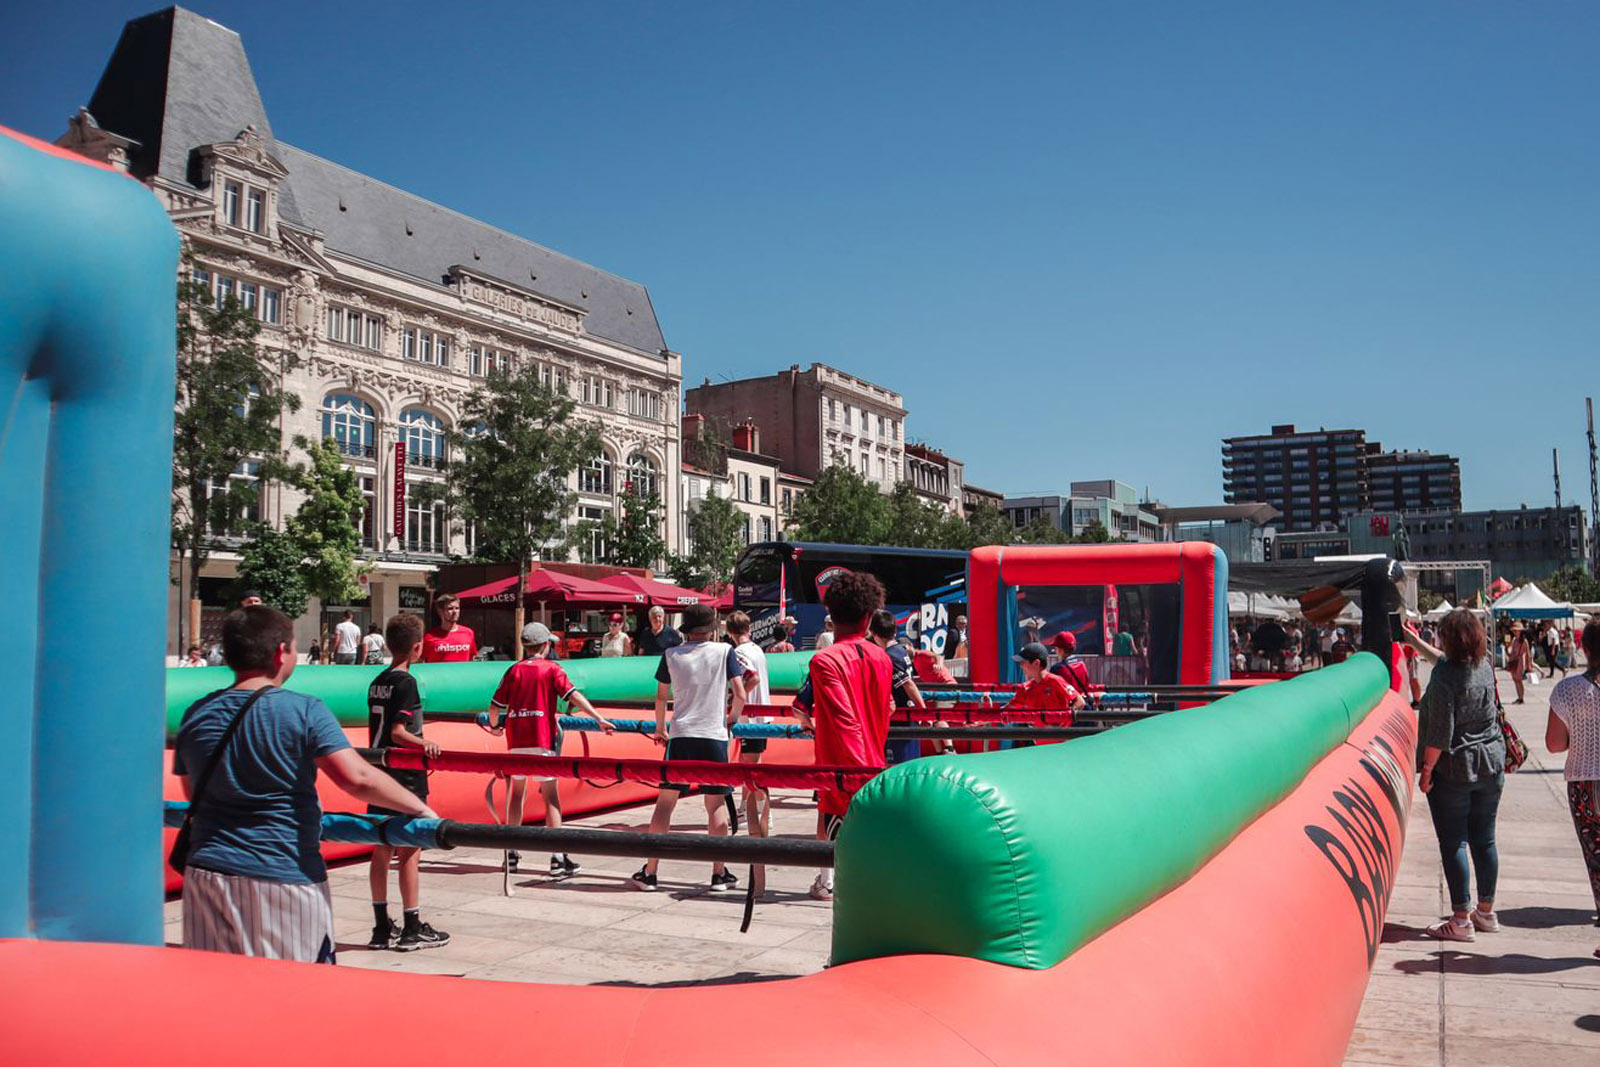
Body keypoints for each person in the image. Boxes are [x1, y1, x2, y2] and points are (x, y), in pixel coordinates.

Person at [173, 606, 436, 962]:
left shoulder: (197, 712)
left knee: (217, 997)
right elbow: (356, 778)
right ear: (281, 652)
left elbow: (194, 794)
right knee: (297, 995)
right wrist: (421, 810)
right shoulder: (304, 710)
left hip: (206, 874)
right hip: (282, 873)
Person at [791, 572, 893, 901]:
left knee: (849, 870)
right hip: (873, 765)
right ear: (868, 617)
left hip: (845, 773)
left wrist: (855, 780)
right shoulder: (882, 658)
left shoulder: (825, 660)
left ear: (832, 615)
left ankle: (828, 882)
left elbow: (845, 722)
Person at [630, 603, 745, 892]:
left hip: (681, 735)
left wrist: (659, 729)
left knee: (665, 802)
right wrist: (729, 720)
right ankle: (719, 873)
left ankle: (651, 871)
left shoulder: (671, 654)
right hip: (713, 735)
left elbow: (660, 698)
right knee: (715, 804)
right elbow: (740, 693)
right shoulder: (724, 652)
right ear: (712, 628)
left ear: (686, 629)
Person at [1409, 609, 1507, 942]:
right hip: (1491, 764)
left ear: (1449, 638)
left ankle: (1461, 920)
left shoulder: (1444, 676)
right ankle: (1486, 912)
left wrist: (1425, 772)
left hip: (1455, 769)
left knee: (1454, 843)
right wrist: (1411, 638)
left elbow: (1439, 733)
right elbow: (1441, 660)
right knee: (1486, 839)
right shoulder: (1485, 667)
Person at [489, 622, 616, 875]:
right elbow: (573, 695)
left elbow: (494, 707)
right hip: (542, 738)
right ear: (545, 645)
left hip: (516, 740)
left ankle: (511, 854)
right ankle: (557, 856)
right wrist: (597, 717)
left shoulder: (513, 670)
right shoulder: (551, 669)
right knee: (551, 796)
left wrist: (494, 727)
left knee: (517, 794)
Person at [364, 613, 449, 951]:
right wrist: (424, 743)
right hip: (404, 776)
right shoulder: (407, 683)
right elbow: (400, 732)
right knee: (410, 849)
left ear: (386, 644)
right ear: (417, 647)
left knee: (381, 847)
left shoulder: (377, 681)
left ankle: (381, 926)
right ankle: (412, 925)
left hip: (377, 774)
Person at [1545, 619, 1600, 959]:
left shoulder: (1567, 691)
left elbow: (1554, 745)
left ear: (1584, 648)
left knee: (1597, 858)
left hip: (1583, 783)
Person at [726, 611, 774, 841]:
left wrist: (737, 699)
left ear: (729, 632)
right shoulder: (757, 649)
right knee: (751, 765)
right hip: (760, 715)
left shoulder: (739, 652)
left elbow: (752, 677)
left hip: (751, 717)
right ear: (749, 629)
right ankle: (746, 808)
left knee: (752, 768)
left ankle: (763, 810)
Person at [868, 609, 938, 764]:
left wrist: (924, 712)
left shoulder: (891, 656)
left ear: (874, 633)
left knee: (899, 764)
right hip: (907, 713)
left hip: (901, 715)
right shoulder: (901, 650)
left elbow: (908, 683)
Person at [1009, 642, 1084, 746]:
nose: (1020, 665)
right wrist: (984, 719)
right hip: (1040, 745)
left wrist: (1060, 727)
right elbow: (1007, 709)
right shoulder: (1025, 688)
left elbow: (1080, 702)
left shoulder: (1056, 681)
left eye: (1023, 662)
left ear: (1036, 663)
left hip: (1060, 744)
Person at [422, 593, 477, 662]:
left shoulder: (468, 633)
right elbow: (420, 662)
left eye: (457, 608)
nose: (455, 612)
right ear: (440, 611)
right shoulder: (430, 637)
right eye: (450, 608)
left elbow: (472, 658)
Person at [1047, 631, 1093, 696]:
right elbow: (1086, 686)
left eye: (1056, 648)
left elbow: (1052, 691)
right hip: (1081, 703)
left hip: (1065, 704)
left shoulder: (1057, 669)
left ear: (1060, 650)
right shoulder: (1081, 664)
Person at [1506, 622, 1532, 704]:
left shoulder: (1524, 641)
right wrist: (1507, 648)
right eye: (1514, 631)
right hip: (1513, 661)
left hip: (1520, 662)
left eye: (1516, 631)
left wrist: (1528, 666)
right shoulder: (1514, 640)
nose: (1515, 632)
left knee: (1519, 680)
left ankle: (1521, 698)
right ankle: (1519, 697)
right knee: (1515, 680)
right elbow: (1511, 652)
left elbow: (1528, 654)